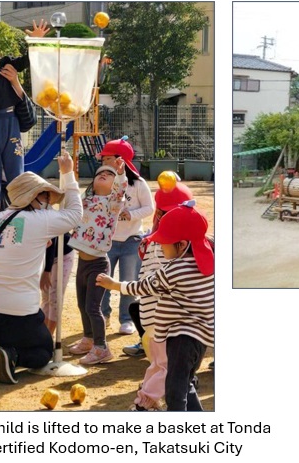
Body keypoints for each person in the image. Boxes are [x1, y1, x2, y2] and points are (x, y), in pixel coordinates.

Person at [97, 200, 214, 411]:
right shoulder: (207, 263)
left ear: (182, 245)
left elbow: (143, 287)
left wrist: (114, 284)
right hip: (200, 340)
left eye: (164, 243)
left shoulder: (174, 270)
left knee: (174, 393)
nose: (160, 246)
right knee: (184, 384)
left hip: (181, 339)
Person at [0, 150, 81, 384]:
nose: (49, 203)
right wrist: (68, 173)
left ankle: (4, 347)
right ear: (34, 197)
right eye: (47, 197)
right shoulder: (40, 220)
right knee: (42, 353)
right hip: (19, 313)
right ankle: (13, 355)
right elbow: (75, 214)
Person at [126, 180, 195, 411]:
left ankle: (152, 400)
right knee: (167, 368)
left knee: (159, 365)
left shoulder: (155, 239)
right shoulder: (169, 245)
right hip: (165, 320)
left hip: (151, 317)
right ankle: (145, 403)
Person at [0, 20, 50, 217]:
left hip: (11, 123)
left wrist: (35, 42)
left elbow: (26, 61)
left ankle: (20, 203)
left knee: (16, 165)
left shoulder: (7, 66)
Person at [67, 159, 127, 366]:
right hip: (82, 263)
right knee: (82, 305)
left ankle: (102, 348)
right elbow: (71, 207)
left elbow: (120, 190)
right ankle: (89, 339)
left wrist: (120, 175)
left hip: (99, 265)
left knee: (93, 307)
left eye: (109, 174)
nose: (103, 174)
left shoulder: (113, 204)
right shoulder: (87, 201)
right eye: (100, 173)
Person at [95, 137, 154, 335]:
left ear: (120, 160)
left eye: (107, 158)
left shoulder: (138, 183)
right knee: (103, 280)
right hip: (107, 241)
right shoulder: (101, 182)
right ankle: (103, 315)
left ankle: (126, 318)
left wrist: (131, 214)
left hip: (132, 240)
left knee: (128, 281)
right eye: (102, 159)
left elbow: (149, 207)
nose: (104, 162)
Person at [40, 232, 74, 336]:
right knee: (45, 296)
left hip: (63, 255)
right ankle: (43, 333)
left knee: (55, 297)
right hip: (44, 257)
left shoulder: (52, 217)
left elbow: (53, 241)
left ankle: (49, 335)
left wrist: (47, 271)